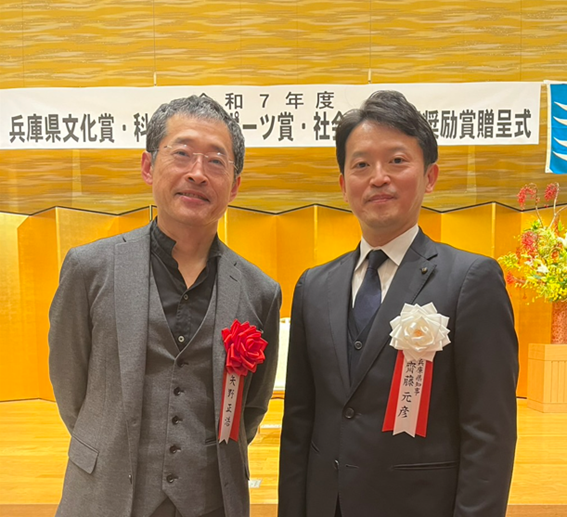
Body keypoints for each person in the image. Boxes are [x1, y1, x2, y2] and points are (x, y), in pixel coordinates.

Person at [278, 90, 518, 517]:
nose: (378, 177)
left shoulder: (470, 280)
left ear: (429, 176)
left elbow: (489, 434)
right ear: (343, 184)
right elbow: (300, 422)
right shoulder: (313, 286)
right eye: (361, 165)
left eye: (397, 161)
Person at [49, 95, 281, 517]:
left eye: (216, 161)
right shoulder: (89, 268)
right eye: (182, 154)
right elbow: (70, 384)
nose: (197, 173)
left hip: (212, 501)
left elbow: (251, 407)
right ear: (147, 166)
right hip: (105, 496)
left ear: (235, 184)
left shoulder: (260, 291)